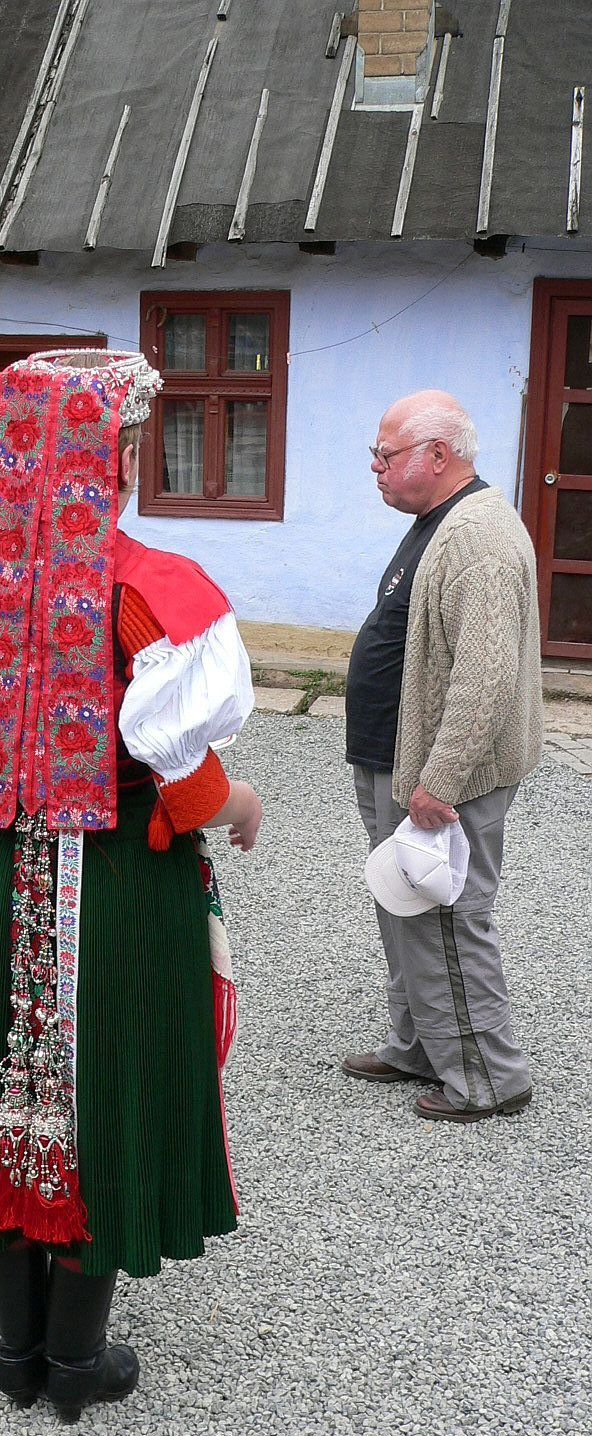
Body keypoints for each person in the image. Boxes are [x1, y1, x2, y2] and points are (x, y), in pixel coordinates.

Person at [0, 349, 263, 1420]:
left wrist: (7, 766)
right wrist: (237, 807)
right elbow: (176, 762)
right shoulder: (153, 590)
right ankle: (78, 1360)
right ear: (119, 454)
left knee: (7, 1076)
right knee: (107, 1071)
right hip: (125, 873)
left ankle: (18, 1352)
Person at [343, 389, 543, 1124]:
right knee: (407, 906)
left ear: (437, 455)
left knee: (448, 914)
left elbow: (485, 676)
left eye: (385, 454)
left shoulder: (476, 538)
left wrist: (440, 781)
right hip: (398, 759)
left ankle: (491, 1078)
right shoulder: (443, 521)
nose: (376, 467)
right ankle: (422, 1045)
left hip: (437, 777)